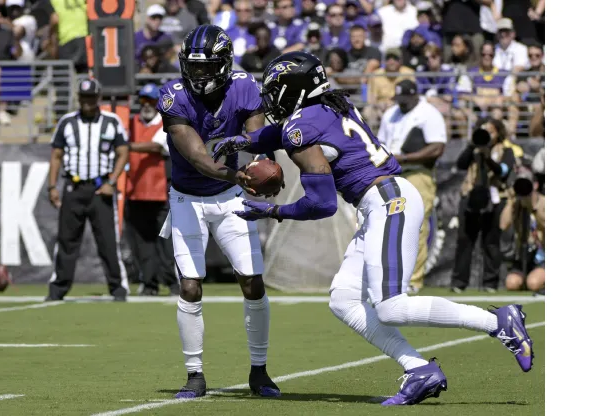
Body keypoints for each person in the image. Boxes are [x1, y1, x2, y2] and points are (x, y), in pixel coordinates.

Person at [213, 51, 534, 406]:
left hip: (388, 201)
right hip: (381, 201)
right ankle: (418, 369)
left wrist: (272, 210)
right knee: (344, 299)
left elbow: (322, 204)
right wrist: (247, 141)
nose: (271, 99)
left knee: (391, 306)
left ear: (296, 90)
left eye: (276, 91)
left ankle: (498, 321)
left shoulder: (300, 127)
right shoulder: (333, 106)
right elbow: (286, 133)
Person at [156, 25, 280, 399]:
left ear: (224, 65)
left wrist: (263, 161)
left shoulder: (243, 85)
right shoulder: (173, 96)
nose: (198, 75)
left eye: (207, 67)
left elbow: (258, 136)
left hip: (228, 197)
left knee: (252, 282)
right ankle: (195, 374)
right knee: (190, 286)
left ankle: (259, 371)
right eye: (193, 68)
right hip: (188, 196)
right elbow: (198, 158)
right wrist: (242, 174)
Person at [46, 79, 130, 302]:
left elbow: (123, 152)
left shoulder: (111, 122)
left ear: (98, 98)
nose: (87, 102)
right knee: (66, 241)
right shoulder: (67, 122)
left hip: (99, 189)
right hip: (73, 187)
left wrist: (112, 182)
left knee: (108, 242)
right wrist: (52, 185)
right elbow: (56, 156)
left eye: (91, 97)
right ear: (78, 98)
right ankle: (57, 289)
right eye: (84, 97)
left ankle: (118, 288)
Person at [377, 80, 447, 293]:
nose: (402, 104)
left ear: (416, 95)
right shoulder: (391, 114)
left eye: (406, 100)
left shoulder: (429, 113)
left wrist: (405, 157)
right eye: (399, 100)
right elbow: (380, 143)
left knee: (416, 225)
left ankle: (413, 281)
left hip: (418, 172)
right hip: (391, 173)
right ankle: (387, 278)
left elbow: (437, 148)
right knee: (385, 225)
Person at [451, 117, 518, 293]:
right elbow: (460, 164)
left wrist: (488, 158)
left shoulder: (506, 150)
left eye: (491, 131)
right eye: (483, 130)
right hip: (471, 197)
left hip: (495, 198)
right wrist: (473, 145)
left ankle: (490, 283)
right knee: (465, 239)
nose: (487, 135)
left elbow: (503, 171)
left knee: (491, 242)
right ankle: (459, 282)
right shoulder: (473, 148)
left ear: (498, 133)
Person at [126, 84, 180, 297]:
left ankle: (173, 283)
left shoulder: (166, 124)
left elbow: (157, 146)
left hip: (160, 192)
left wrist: (125, 145)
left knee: (165, 242)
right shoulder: (131, 124)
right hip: (136, 191)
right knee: (142, 243)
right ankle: (149, 283)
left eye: (151, 100)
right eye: (143, 100)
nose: (146, 105)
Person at [501, 165, 544, 293]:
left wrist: (533, 208)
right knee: (511, 283)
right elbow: (503, 225)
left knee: (533, 283)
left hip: (542, 256)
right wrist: (511, 201)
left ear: (535, 185)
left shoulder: (544, 203)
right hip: (524, 255)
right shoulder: (516, 204)